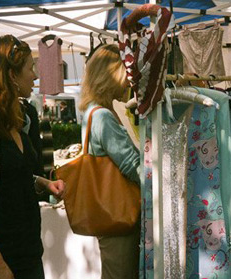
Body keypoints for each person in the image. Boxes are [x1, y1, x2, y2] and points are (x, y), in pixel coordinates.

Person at [0, 35, 66, 279]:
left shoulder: (18, 120)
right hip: (2, 260)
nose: (35, 76)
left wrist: (42, 183)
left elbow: (12, 177)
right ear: (11, 75)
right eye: (30, 68)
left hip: (29, 253)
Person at [78, 44, 141, 279]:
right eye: (125, 74)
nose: (128, 82)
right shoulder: (102, 116)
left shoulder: (93, 112)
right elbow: (130, 165)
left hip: (111, 215)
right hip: (119, 215)